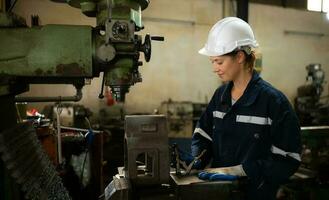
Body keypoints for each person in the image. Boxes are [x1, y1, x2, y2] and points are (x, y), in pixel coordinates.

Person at [191, 17, 301, 200]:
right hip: (219, 192)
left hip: (256, 194)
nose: (214, 68)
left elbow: (289, 158)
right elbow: (203, 134)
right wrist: (196, 159)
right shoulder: (220, 97)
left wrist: (242, 171)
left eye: (219, 62)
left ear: (240, 57)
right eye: (212, 62)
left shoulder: (273, 102)